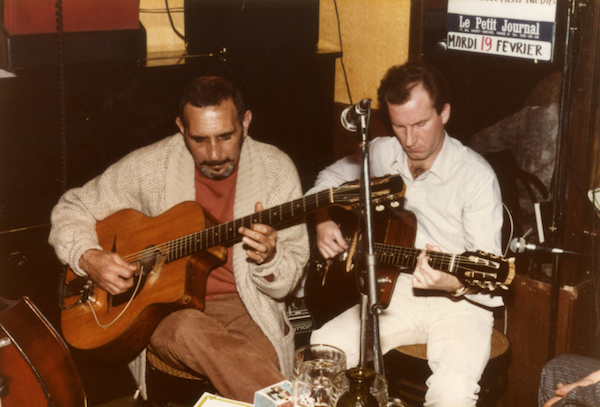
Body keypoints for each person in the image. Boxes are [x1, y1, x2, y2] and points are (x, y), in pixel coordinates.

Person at [48, 76, 309, 403]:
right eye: (199, 139)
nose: (214, 154)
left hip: (246, 302)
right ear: (181, 129)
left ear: (245, 122)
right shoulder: (151, 165)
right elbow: (72, 207)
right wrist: (88, 257)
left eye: (226, 136)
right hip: (165, 309)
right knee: (192, 332)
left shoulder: (276, 170)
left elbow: (285, 285)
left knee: (260, 358)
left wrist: (269, 258)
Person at [307, 62, 504, 406]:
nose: (410, 139)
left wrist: (453, 283)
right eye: (399, 126)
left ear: (444, 112)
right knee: (324, 349)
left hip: (461, 305)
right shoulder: (383, 152)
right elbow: (326, 179)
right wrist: (323, 218)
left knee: (452, 393)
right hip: (396, 290)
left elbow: (488, 271)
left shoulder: (476, 177)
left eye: (420, 124)